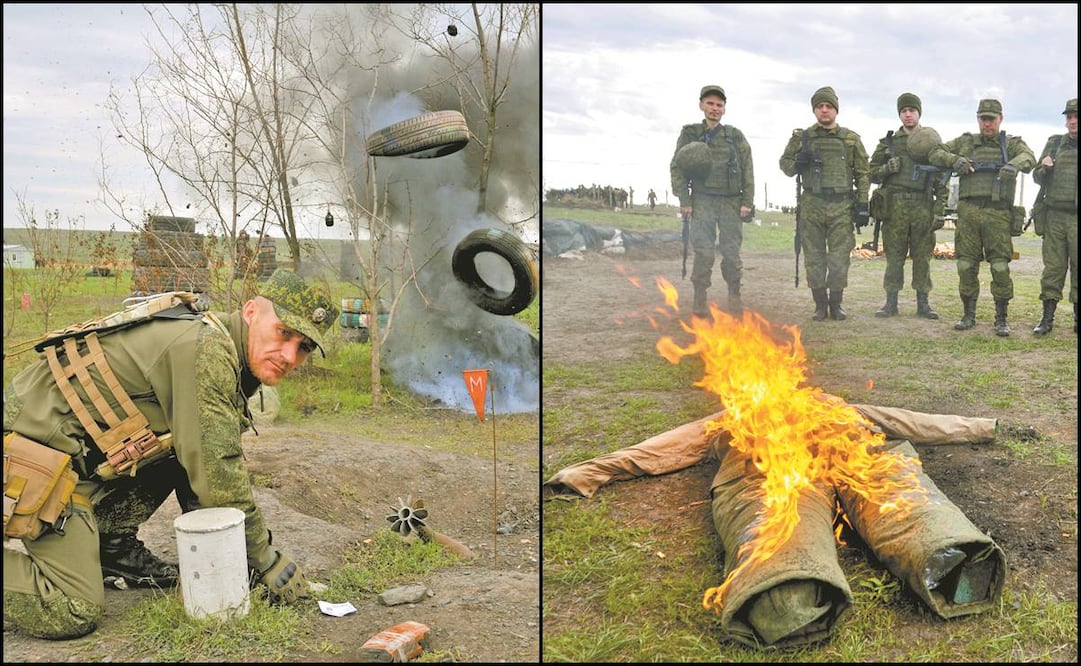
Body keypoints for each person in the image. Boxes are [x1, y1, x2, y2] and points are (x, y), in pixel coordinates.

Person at [3, 268, 338, 639]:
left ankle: (110, 543)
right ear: (250, 313)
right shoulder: (207, 350)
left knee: (177, 449)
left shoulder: (222, 346)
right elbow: (218, 477)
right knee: (71, 608)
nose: (290, 354)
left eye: (304, 347)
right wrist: (266, 562)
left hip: (72, 458)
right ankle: (97, 546)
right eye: (284, 333)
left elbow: (196, 466)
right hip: (29, 453)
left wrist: (235, 561)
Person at [932, 99, 1036, 336]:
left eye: (991, 118)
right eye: (983, 118)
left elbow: (1029, 158)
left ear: (1000, 119)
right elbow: (935, 152)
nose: (987, 123)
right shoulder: (965, 142)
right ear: (978, 119)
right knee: (966, 264)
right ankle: (968, 314)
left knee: (999, 265)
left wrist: (1013, 165)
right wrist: (954, 160)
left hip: (997, 213)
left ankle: (1001, 318)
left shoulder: (1010, 144)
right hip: (968, 212)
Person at [779, 86, 871, 321]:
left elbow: (863, 173)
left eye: (828, 106)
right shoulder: (803, 138)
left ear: (836, 110)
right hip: (812, 204)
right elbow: (785, 165)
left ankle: (836, 304)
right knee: (814, 256)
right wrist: (798, 163)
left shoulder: (850, 139)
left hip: (841, 205)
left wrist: (862, 204)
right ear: (814, 110)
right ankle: (820, 305)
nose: (824, 110)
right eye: (820, 106)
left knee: (839, 257)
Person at [670, 84, 755, 316]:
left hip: (730, 202)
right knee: (704, 252)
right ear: (701, 105)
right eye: (710, 103)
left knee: (731, 252)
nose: (714, 108)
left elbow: (748, 168)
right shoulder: (690, 133)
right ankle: (700, 299)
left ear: (724, 109)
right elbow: (677, 167)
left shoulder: (735, 136)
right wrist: (684, 200)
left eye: (719, 105)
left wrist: (747, 201)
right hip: (702, 200)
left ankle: (734, 297)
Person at [868, 92, 950, 320]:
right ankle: (890, 302)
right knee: (894, 257)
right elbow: (870, 173)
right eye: (903, 111)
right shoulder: (888, 144)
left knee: (922, 256)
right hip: (894, 208)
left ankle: (923, 303)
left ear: (918, 113)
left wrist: (939, 211)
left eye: (911, 110)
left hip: (922, 205)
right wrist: (886, 169)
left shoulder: (931, 143)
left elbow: (943, 180)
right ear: (899, 114)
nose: (907, 114)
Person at [1030, 97, 1077, 335]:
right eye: (1069, 116)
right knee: (1053, 268)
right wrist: (1044, 168)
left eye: (1076, 116)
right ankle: (1047, 319)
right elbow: (1037, 177)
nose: (1073, 121)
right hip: (1055, 215)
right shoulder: (1054, 144)